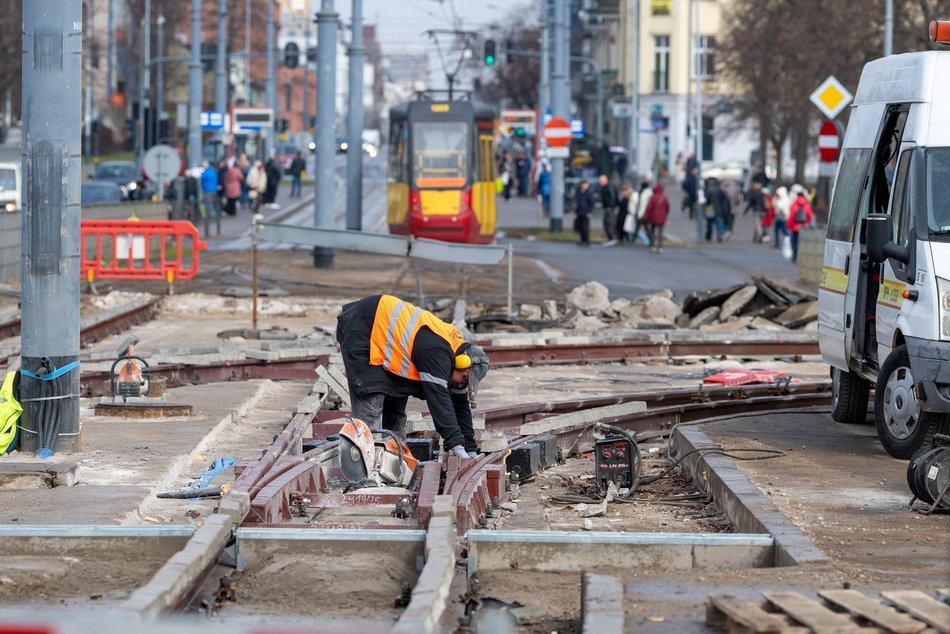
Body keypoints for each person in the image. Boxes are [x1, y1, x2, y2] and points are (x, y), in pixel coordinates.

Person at [336, 294, 490, 459]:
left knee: (395, 411)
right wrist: (456, 446)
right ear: (462, 362)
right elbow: (439, 402)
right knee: (372, 404)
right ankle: (365, 467)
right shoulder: (437, 353)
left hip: (389, 344)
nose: (462, 385)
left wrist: (470, 448)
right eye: (465, 380)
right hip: (365, 326)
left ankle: (394, 462)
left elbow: (461, 407)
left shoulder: (454, 353)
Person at [786, 184, 814, 263]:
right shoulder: (807, 205)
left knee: (794, 241)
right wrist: (807, 223)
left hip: (795, 227)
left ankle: (794, 256)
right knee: (801, 242)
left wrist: (789, 225)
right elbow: (810, 216)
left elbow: (791, 216)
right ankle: (801, 256)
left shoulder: (794, 205)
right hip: (804, 227)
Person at [645, 183, 669, 253]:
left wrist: (646, 215)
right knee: (660, 233)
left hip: (653, 217)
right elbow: (667, 208)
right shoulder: (664, 198)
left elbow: (649, 208)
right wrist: (664, 215)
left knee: (652, 232)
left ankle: (653, 246)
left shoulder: (653, 197)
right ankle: (660, 246)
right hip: (662, 218)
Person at [596, 174, 620, 246]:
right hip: (607, 208)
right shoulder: (605, 187)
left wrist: (610, 206)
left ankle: (612, 238)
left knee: (610, 223)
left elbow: (612, 197)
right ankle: (610, 238)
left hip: (610, 208)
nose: (599, 182)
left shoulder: (609, 187)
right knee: (606, 223)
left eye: (600, 181)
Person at [574, 179, 594, 246]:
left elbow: (591, 203)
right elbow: (578, 202)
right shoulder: (579, 191)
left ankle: (586, 240)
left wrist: (590, 212)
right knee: (580, 227)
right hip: (580, 212)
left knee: (585, 227)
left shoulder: (589, 192)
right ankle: (582, 240)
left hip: (586, 212)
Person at [634, 180, 653, 247]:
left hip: (643, 214)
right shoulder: (649, 192)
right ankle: (651, 241)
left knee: (638, 227)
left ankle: (633, 240)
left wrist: (640, 214)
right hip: (647, 214)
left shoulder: (644, 193)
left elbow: (643, 205)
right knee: (646, 228)